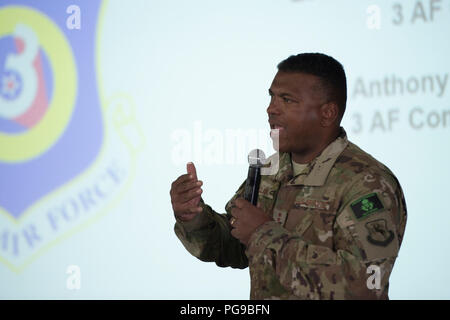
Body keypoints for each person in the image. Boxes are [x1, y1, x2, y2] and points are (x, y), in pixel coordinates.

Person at [170, 53, 407, 300]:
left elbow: (367, 284)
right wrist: (193, 217)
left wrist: (262, 233)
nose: (271, 109)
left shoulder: (368, 184)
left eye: (287, 99)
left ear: (327, 113)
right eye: (271, 96)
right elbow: (237, 246)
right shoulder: (271, 169)